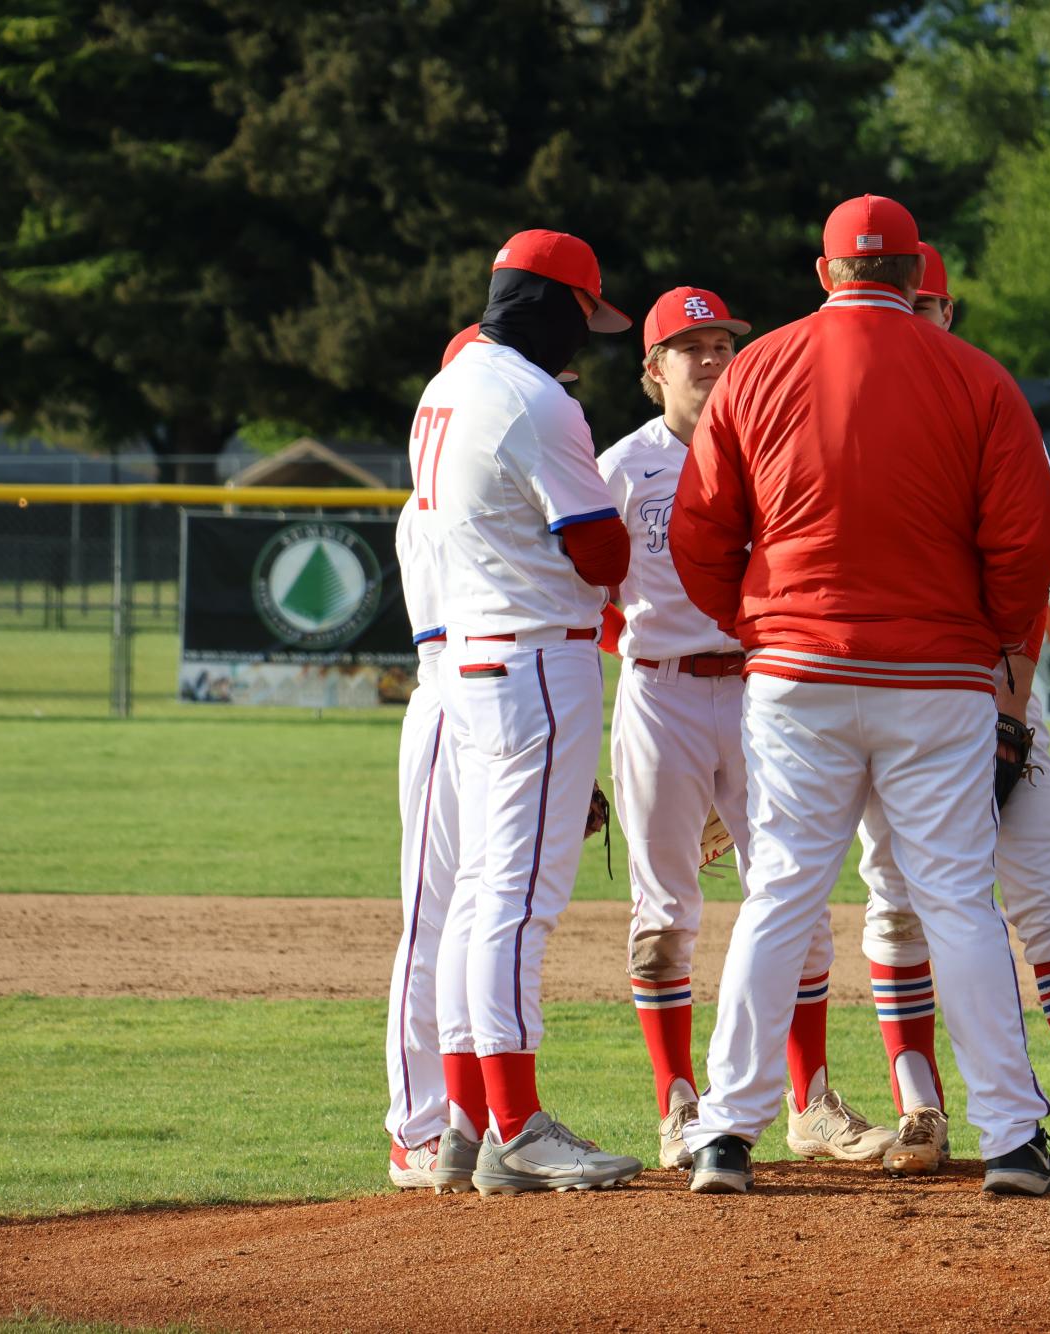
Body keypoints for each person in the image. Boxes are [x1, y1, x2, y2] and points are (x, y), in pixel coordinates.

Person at [670, 194, 1050, 1197]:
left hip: (797, 671)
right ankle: (1014, 1137)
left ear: (825, 273)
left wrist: (759, 622)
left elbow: (699, 528)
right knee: (955, 899)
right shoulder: (976, 375)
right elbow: (1032, 540)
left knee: (782, 890)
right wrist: (982, 639)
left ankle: (725, 1130)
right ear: (915, 275)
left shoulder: (758, 367)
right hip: (936, 679)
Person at [598, 286, 893, 1172]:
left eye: (724, 341)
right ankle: (675, 1106)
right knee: (662, 914)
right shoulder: (621, 467)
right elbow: (593, 601)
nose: (713, 357)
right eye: (690, 346)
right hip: (661, 698)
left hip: (764, 694)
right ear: (652, 372)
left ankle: (809, 1103)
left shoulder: (771, 449)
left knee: (797, 902)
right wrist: (648, 658)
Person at [858, 239, 1050, 1178]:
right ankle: (919, 1109)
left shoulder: (987, 404)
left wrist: (1010, 718)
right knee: (896, 907)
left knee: (1048, 905)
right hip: (888, 703)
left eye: (932, 308)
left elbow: (1031, 575)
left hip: (984, 694)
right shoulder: (858, 422)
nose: (921, 322)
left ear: (946, 315)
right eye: (912, 305)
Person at [410, 229, 645, 1194]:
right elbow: (602, 556)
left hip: (468, 662)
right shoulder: (532, 396)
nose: (583, 341)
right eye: (581, 318)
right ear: (550, 306)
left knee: (476, 901)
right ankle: (516, 1126)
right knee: (516, 904)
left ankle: (465, 1121)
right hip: (532, 664)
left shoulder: (452, 381)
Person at [380, 328, 472, 1189]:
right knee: (433, 917)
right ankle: (415, 1125)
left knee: (490, 916)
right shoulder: (431, 503)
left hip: (505, 705)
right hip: (451, 696)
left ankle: (479, 1113)